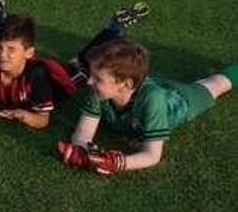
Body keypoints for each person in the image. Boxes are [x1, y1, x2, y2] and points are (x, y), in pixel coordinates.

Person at [0, 0, 148, 130]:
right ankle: (2, 17)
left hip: (60, 77)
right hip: (33, 67)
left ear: (30, 53)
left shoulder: (37, 77)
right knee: (7, 41)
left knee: (84, 63)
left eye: (10, 50)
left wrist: (25, 116)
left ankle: (115, 26)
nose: (2, 55)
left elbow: (43, 120)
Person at [59, 39, 236, 175]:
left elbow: (152, 155)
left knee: (218, 84)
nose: (89, 82)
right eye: (92, 75)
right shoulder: (98, 91)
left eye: (98, 78)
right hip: (143, 89)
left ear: (125, 83)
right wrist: (82, 151)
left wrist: (116, 163)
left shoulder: (153, 100)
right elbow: (84, 132)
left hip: (176, 103)